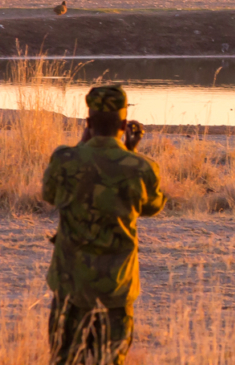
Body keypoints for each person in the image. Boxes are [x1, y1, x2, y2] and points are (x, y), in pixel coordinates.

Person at [43, 85, 165, 365]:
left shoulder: (65, 160)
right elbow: (152, 207)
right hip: (116, 290)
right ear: (124, 125)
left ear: (88, 123)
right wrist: (130, 152)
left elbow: (50, 195)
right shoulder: (141, 167)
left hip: (70, 287)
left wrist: (81, 145)